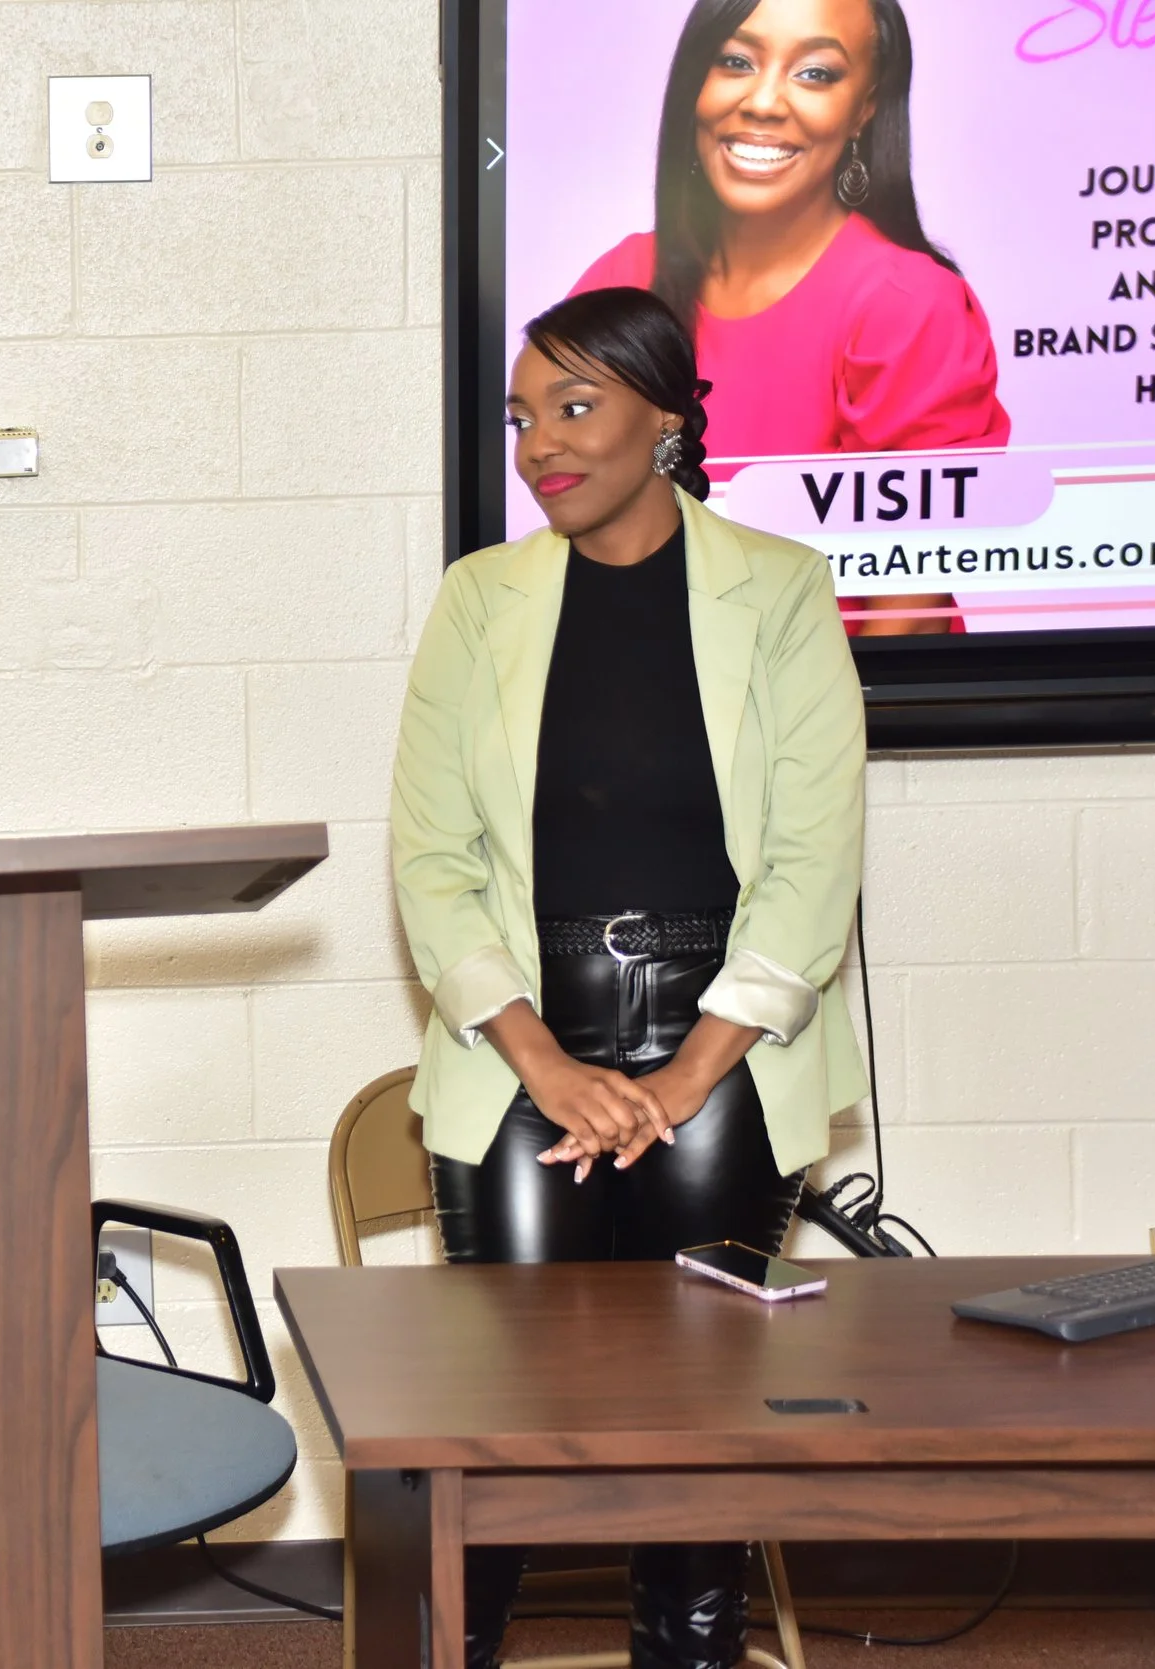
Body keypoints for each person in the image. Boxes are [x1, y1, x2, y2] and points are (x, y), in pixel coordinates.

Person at [391, 289, 868, 1669]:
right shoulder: (478, 601)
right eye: (523, 416)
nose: (541, 442)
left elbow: (809, 863)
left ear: (667, 418)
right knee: (507, 1429)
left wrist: (678, 1079)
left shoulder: (778, 590)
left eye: (576, 406)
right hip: (517, 1051)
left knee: (698, 1441)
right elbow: (430, 861)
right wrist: (546, 1065)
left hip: (723, 1050)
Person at [572, 0, 1009, 635]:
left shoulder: (907, 305)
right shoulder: (623, 278)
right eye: (736, 61)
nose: (765, 102)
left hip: (830, 722)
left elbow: (906, 616)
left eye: (816, 73)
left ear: (865, 107)